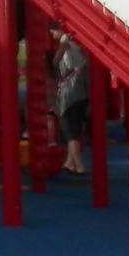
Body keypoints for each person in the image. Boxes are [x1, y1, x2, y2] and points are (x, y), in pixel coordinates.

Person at [51, 25, 92, 175]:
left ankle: (79, 165)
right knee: (75, 126)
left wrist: (63, 41)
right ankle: (69, 162)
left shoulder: (66, 43)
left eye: (53, 31)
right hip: (81, 91)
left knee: (69, 130)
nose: (52, 34)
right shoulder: (79, 49)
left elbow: (55, 62)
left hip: (69, 93)